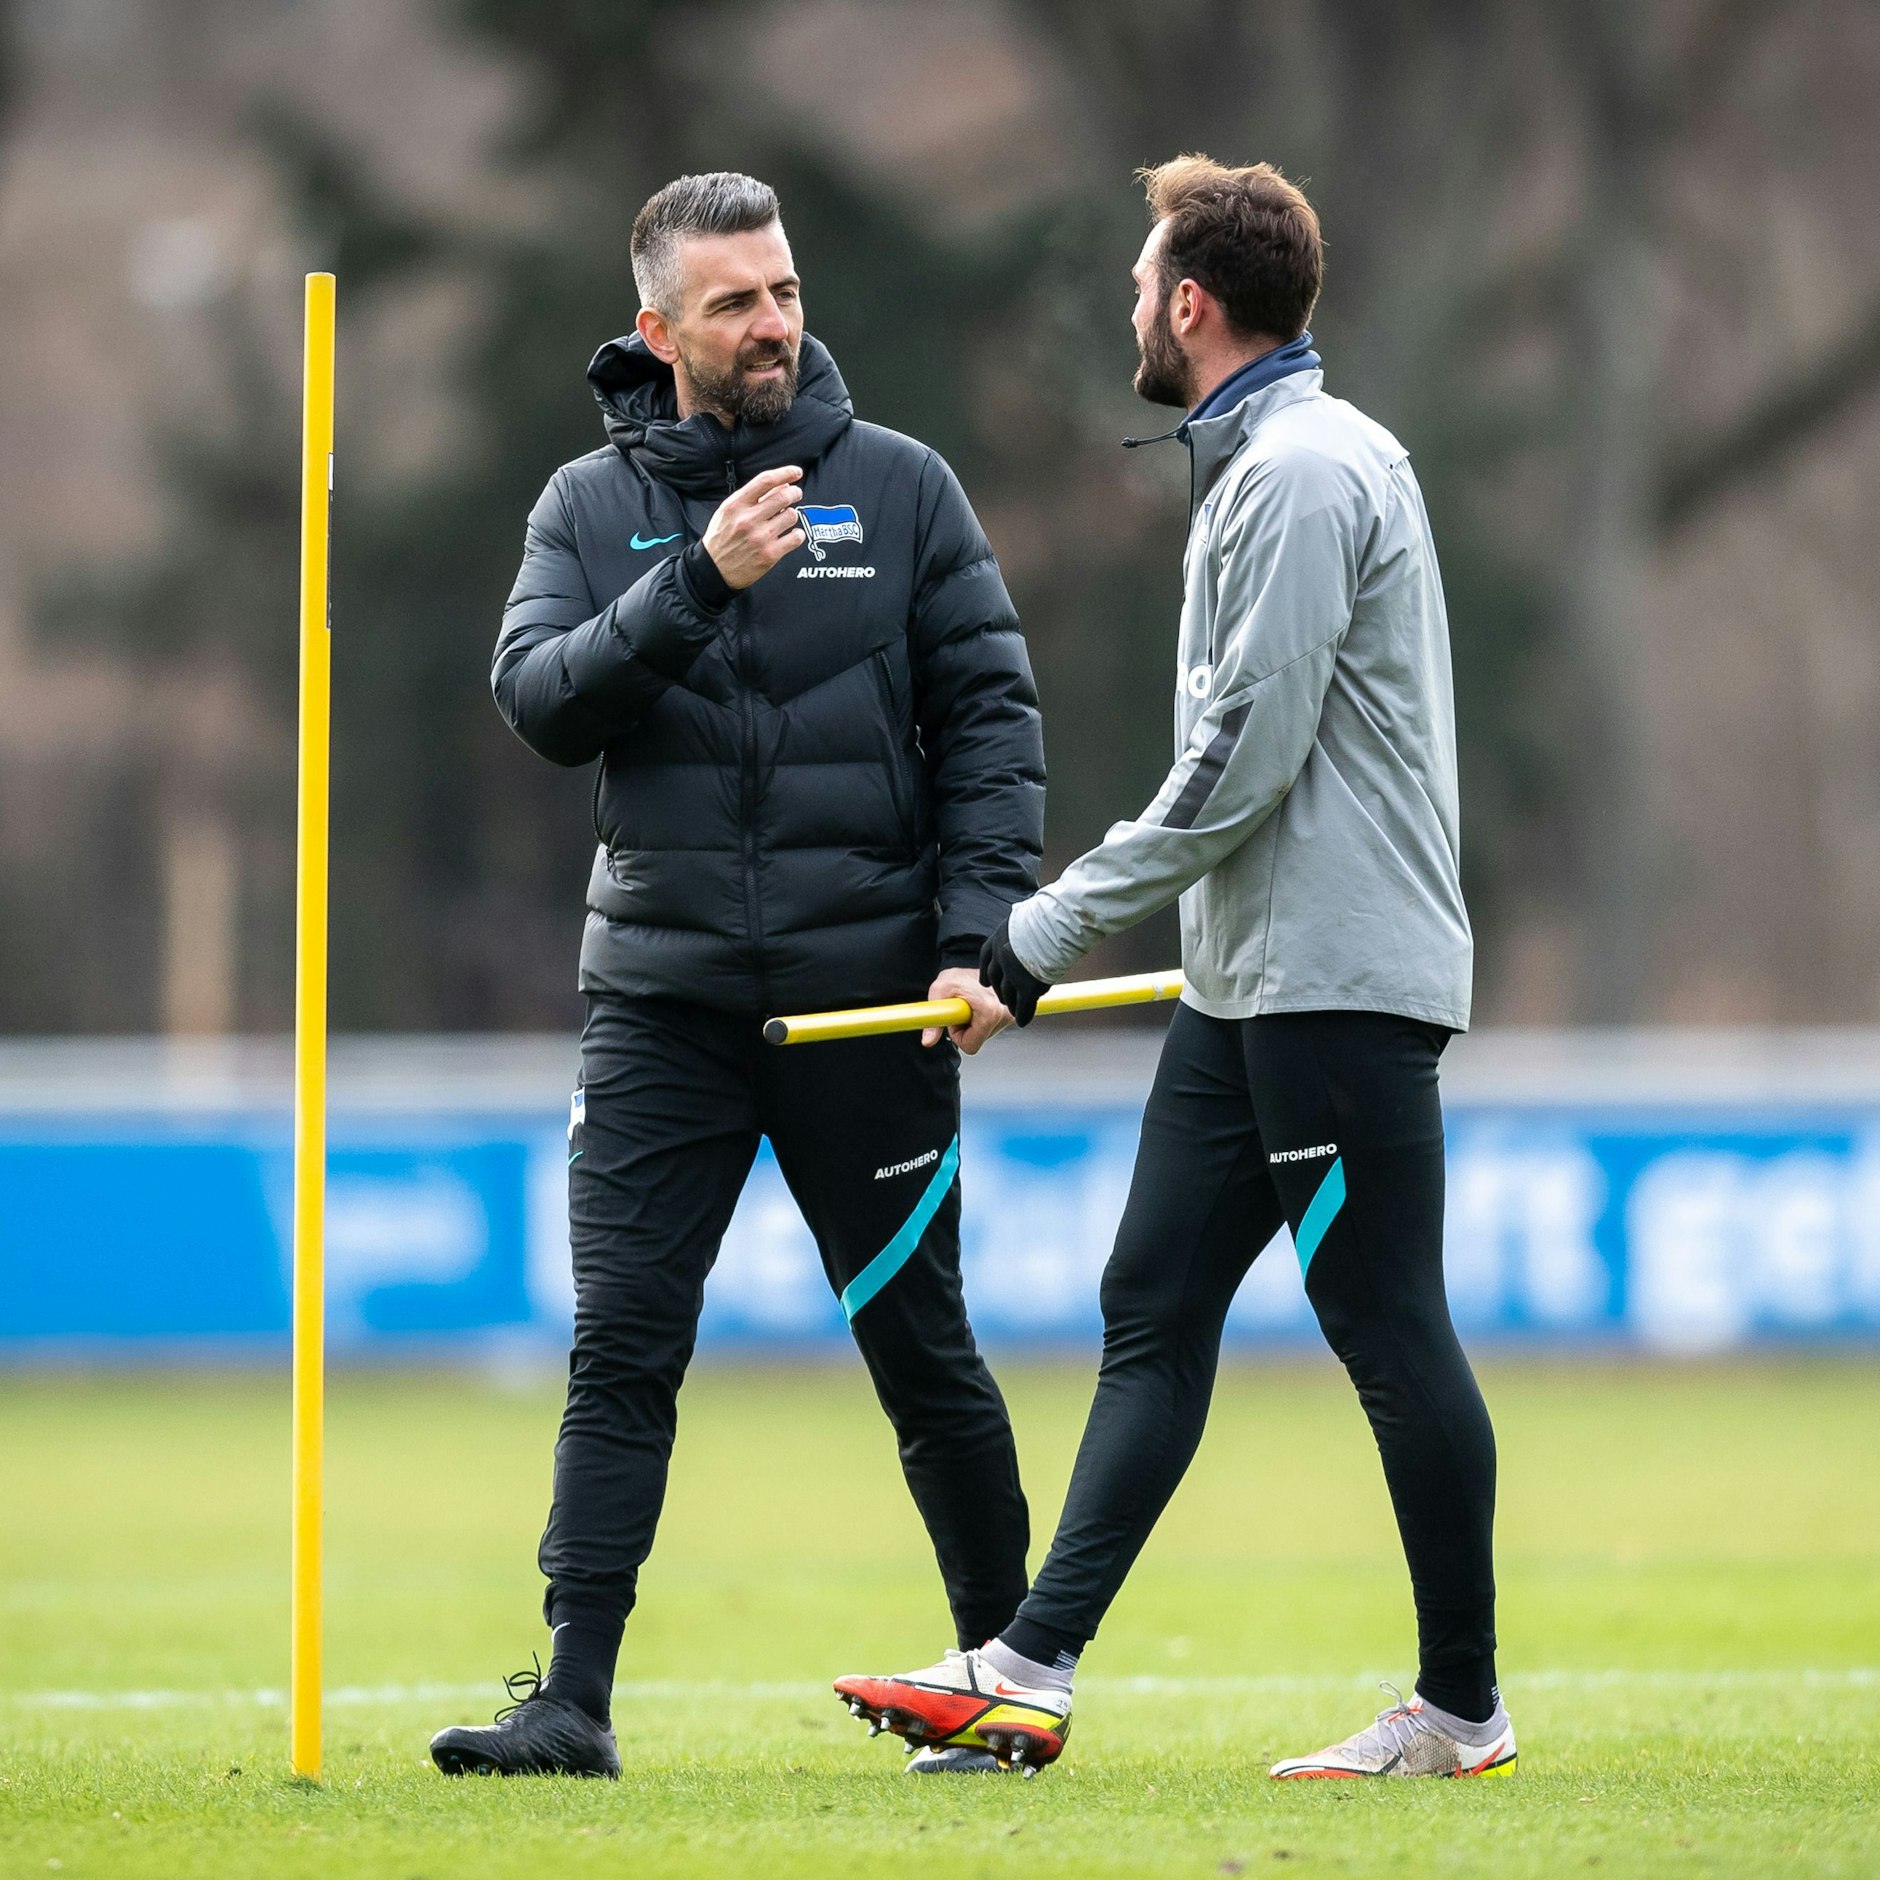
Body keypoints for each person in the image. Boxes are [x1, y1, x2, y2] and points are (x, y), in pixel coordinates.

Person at [836, 157, 1513, 1781]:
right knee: (1151, 1303)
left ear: (1190, 305)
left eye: (1143, 286)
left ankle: (1463, 1708)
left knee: (1389, 1327)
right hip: (1246, 984)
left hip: (1332, 985)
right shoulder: (1271, 461)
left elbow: (1243, 758)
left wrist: (1036, 938)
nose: (1132, 307)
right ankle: (1033, 1666)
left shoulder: (1295, 473)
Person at [431, 171, 1042, 1778]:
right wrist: (697, 578)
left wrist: (981, 935)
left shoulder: (904, 489)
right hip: (662, 1009)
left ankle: (1003, 1685)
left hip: (870, 1006)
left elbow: (992, 723)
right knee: (622, 1346)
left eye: (782, 291)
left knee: (925, 1354)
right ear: (659, 330)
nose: (772, 323)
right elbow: (541, 704)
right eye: (734, 303)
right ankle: (572, 1702)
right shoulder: (584, 508)